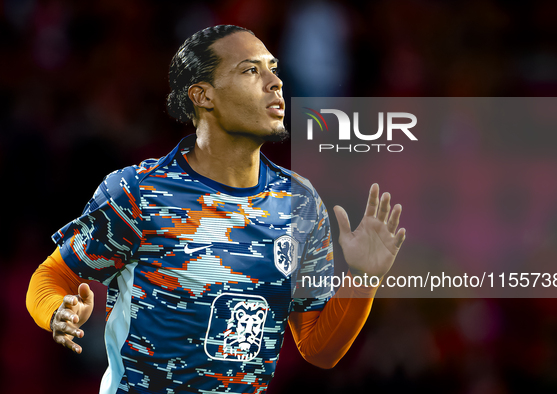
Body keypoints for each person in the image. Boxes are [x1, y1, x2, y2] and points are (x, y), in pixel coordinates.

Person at [26, 25, 405, 393]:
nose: (275, 82)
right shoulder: (140, 191)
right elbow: (51, 275)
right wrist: (59, 310)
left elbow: (319, 350)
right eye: (251, 70)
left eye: (273, 69)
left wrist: (363, 277)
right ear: (203, 95)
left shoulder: (300, 204)